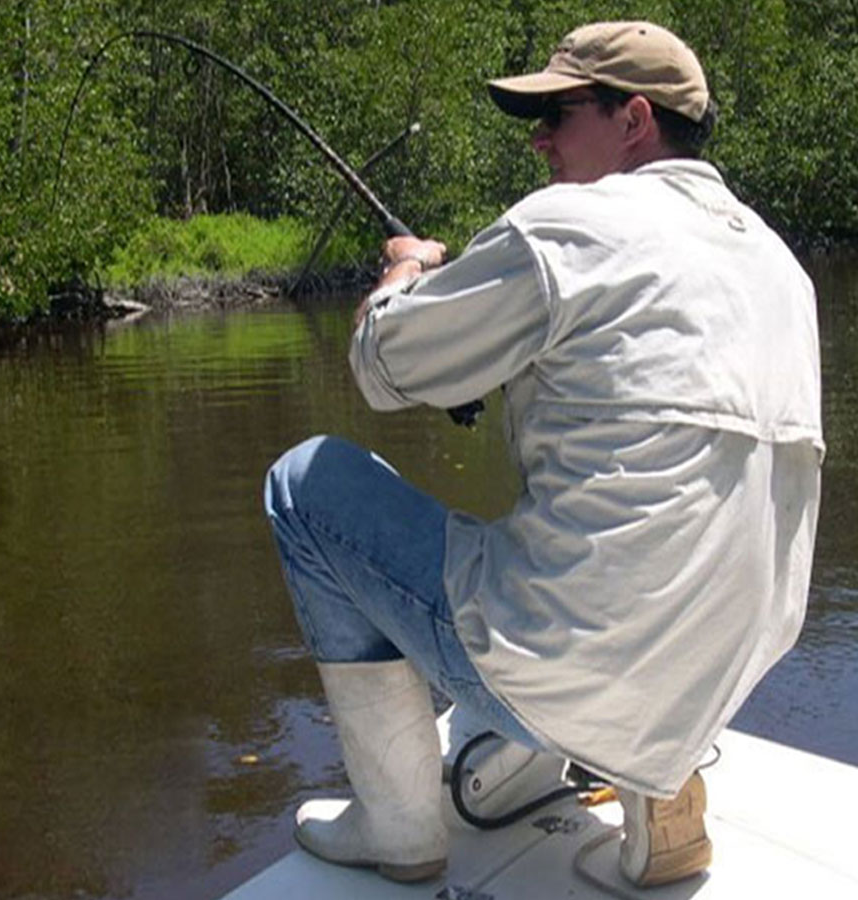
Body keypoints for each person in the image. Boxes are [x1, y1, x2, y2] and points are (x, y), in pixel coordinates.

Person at [264, 20, 823, 887]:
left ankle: (399, 826)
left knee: (304, 484)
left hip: (586, 661)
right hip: (717, 674)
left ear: (634, 118)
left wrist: (405, 274)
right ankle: (658, 775)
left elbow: (383, 366)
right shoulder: (780, 268)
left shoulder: (570, 226)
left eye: (559, 114)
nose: (538, 138)